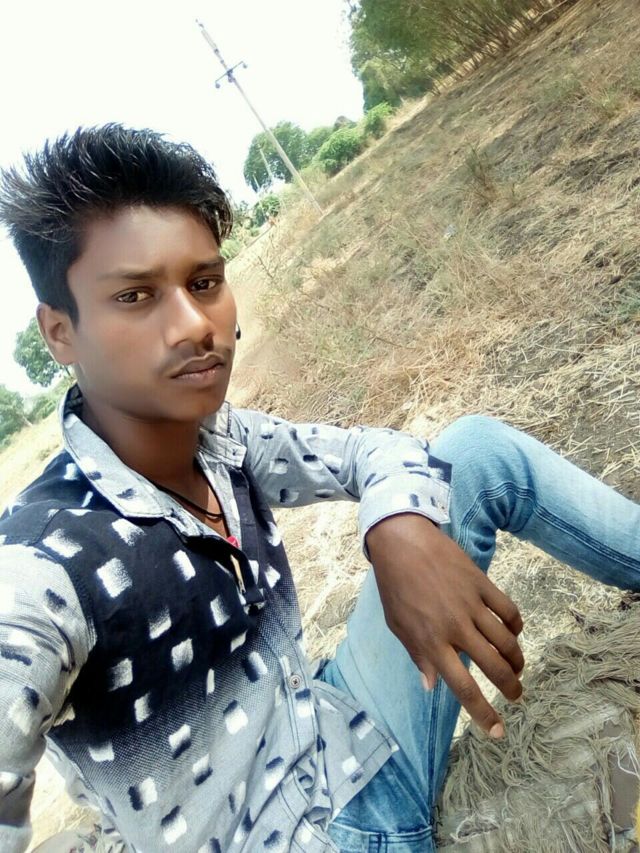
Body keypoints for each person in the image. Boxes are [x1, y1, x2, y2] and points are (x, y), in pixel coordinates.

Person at [0, 125, 638, 853]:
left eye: (204, 283)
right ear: (61, 332)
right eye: (136, 296)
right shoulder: (41, 568)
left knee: (475, 451)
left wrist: (394, 524)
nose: (193, 326)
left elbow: (371, 449)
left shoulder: (221, 441)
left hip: (345, 738)